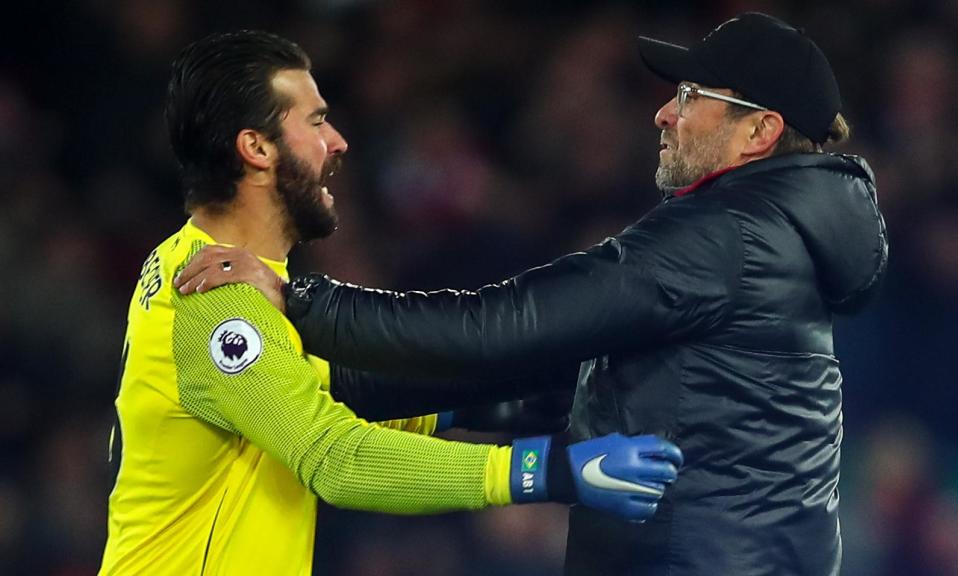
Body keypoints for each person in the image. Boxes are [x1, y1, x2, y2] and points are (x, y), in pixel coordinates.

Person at [176, 13, 888, 576]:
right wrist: (352, 387)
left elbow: (501, 326)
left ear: (760, 131)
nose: (663, 116)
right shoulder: (775, 235)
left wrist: (300, 300)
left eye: (690, 99)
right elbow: (594, 386)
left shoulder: (725, 238)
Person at [99, 30, 685, 576]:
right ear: (256, 147)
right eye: (317, 121)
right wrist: (545, 470)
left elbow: (324, 397)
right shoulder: (216, 298)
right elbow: (334, 455)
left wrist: (506, 408)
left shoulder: (195, 262)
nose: (338, 142)